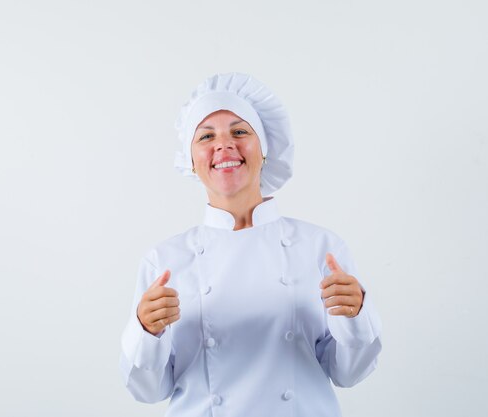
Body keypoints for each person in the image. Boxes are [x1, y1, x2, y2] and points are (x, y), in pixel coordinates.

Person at [119, 73, 382, 417]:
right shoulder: (165, 260)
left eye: (240, 132)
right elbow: (149, 391)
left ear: (266, 148)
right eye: (207, 136)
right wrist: (145, 330)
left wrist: (356, 315)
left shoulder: (321, 248)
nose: (224, 145)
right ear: (191, 159)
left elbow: (349, 373)